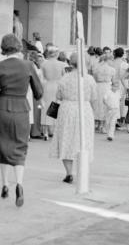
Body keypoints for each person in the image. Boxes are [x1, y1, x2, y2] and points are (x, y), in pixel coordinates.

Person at [0, 33, 42, 207]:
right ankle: (19, 184)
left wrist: (0, 95)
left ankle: (4, 184)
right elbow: (38, 91)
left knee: (3, 144)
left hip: (3, 108)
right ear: (19, 47)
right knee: (20, 146)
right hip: (21, 108)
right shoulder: (28, 65)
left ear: (3, 48)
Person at [49, 52, 95, 183]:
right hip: (84, 109)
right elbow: (94, 97)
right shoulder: (89, 79)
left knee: (66, 139)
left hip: (67, 109)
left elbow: (58, 95)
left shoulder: (65, 78)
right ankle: (82, 172)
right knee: (83, 140)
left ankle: (69, 172)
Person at [40, 46, 64, 140]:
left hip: (47, 85)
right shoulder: (62, 64)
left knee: (46, 107)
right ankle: (53, 130)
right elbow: (65, 77)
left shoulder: (44, 64)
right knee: (55, 106)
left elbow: (41, 78)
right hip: (57, 85)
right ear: (57, 54)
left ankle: (45, 132)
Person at [92, 55, 115, 134]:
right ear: (107, 60)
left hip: (99, 86)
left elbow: (94, 79)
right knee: (105, 105)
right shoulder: (112, 69)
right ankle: (103, 126)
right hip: (107, 86)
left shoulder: (97, 69)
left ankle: (98, 124)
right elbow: (114, 80)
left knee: (98, 104)